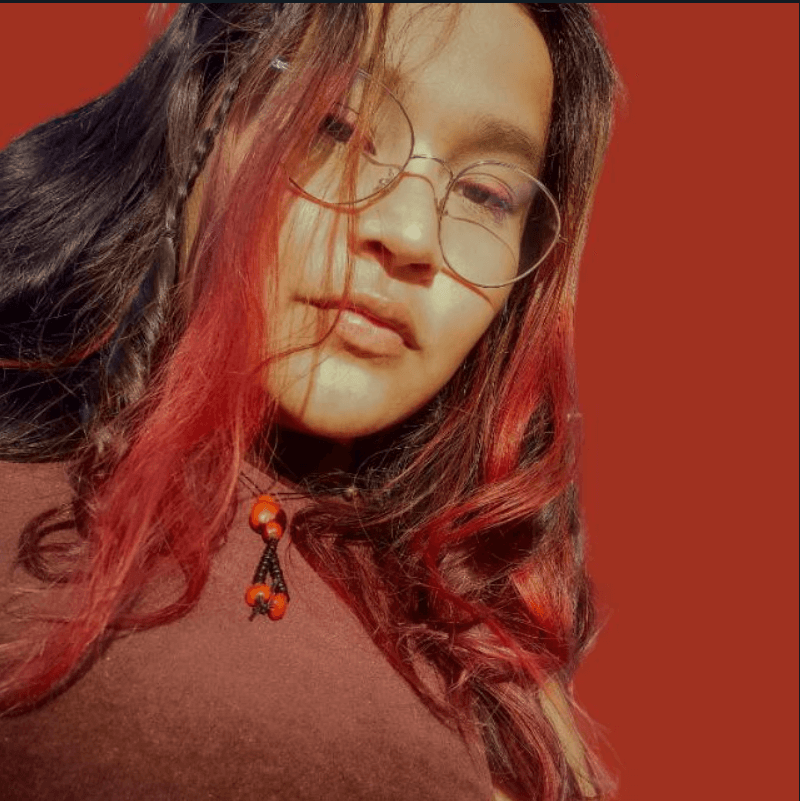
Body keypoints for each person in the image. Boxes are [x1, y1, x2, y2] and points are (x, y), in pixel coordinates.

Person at [0, 4, 617, 800]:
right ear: (204, 117)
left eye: (485, 193)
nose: (411, 234)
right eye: (336, 125)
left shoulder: (490, 668)